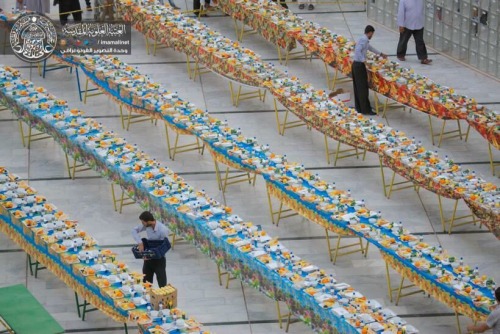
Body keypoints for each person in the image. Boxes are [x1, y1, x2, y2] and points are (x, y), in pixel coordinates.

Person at [351, 25, 387, 116]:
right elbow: (358, 51)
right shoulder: (364, 40)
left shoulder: (364, 39)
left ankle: (359, 107)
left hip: (356, 65)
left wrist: (381, 54)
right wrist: (364, 61)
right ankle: (365, 109)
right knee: (363, 88)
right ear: (370, 32)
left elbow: (370, 48)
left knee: (358, 87)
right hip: (359, 65)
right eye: (372, 33)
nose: (372, 35)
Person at [132, 211, 169, 288]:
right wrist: (140, 242)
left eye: (143, 222)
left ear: (148, 221)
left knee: (162, 284)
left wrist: (155, 252)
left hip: (159, 259)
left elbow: (165, 245)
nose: (142, 224)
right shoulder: (147, 226)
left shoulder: (163, 230)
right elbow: (134, 230)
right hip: (148, 258)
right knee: (146, 282)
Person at [396, 0, 432, 64]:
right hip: (407, 24)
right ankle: (400, 55)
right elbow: (401, 12)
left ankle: (423, 58)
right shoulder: (403, 1)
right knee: (403, 40)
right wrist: (401, 24)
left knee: (420, 42)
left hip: (419, 24)